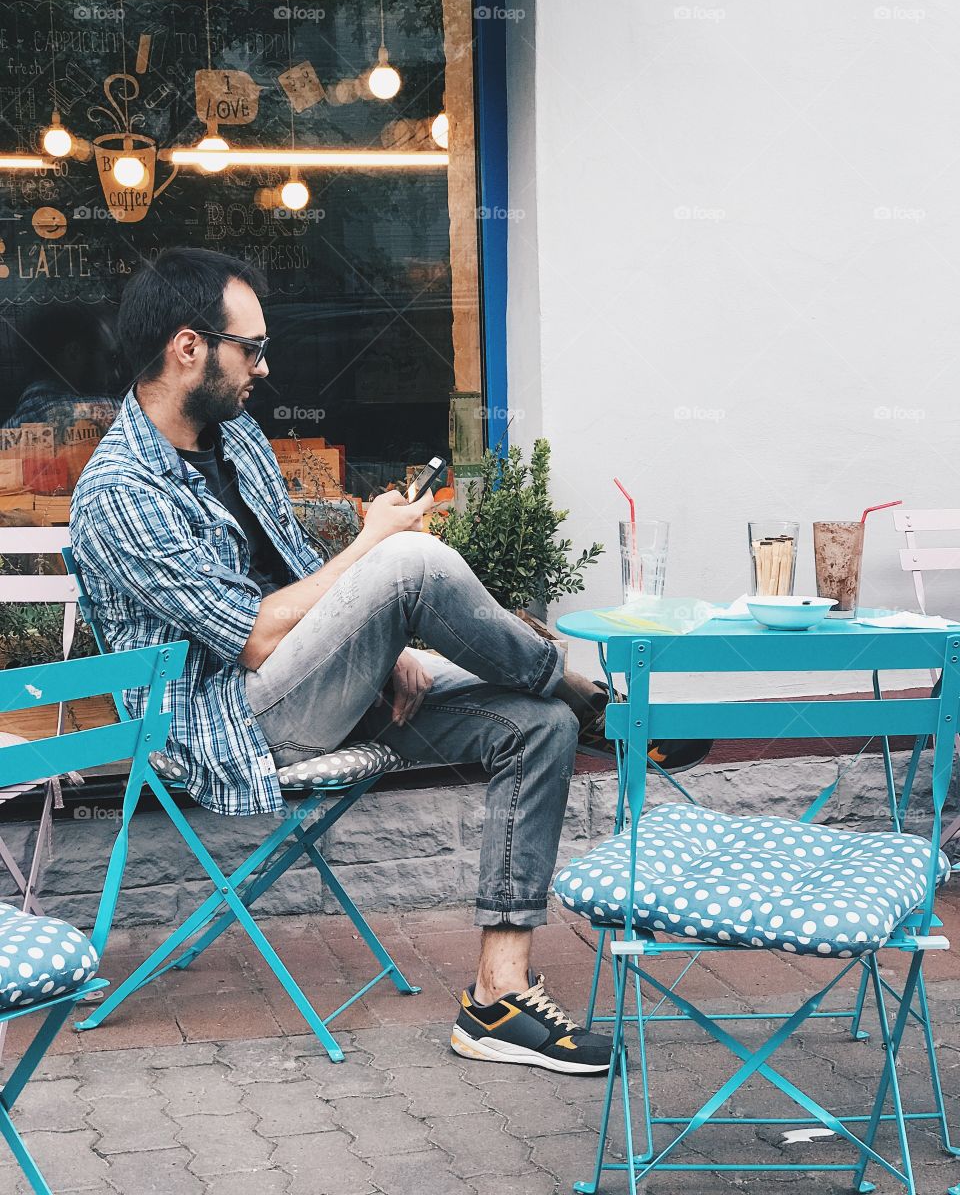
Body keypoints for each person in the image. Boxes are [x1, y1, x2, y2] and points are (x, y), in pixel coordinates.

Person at [70, 248, 702, 1076]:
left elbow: (303, 579)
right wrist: (373, 553)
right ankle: (588, 693)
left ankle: (497, 998)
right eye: (252, 348)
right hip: (226, 725)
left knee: (536, 727)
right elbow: (253, 636)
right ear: (190, 348)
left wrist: (386, 641)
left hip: (312, 688)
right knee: (407, 562)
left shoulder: (237, 440)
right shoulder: (118, 491)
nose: (267, 365)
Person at [3, 302, 124, 439]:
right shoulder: (108, 414)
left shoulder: (9, 430)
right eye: (111, 359)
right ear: (73, 353)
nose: (116, 374)